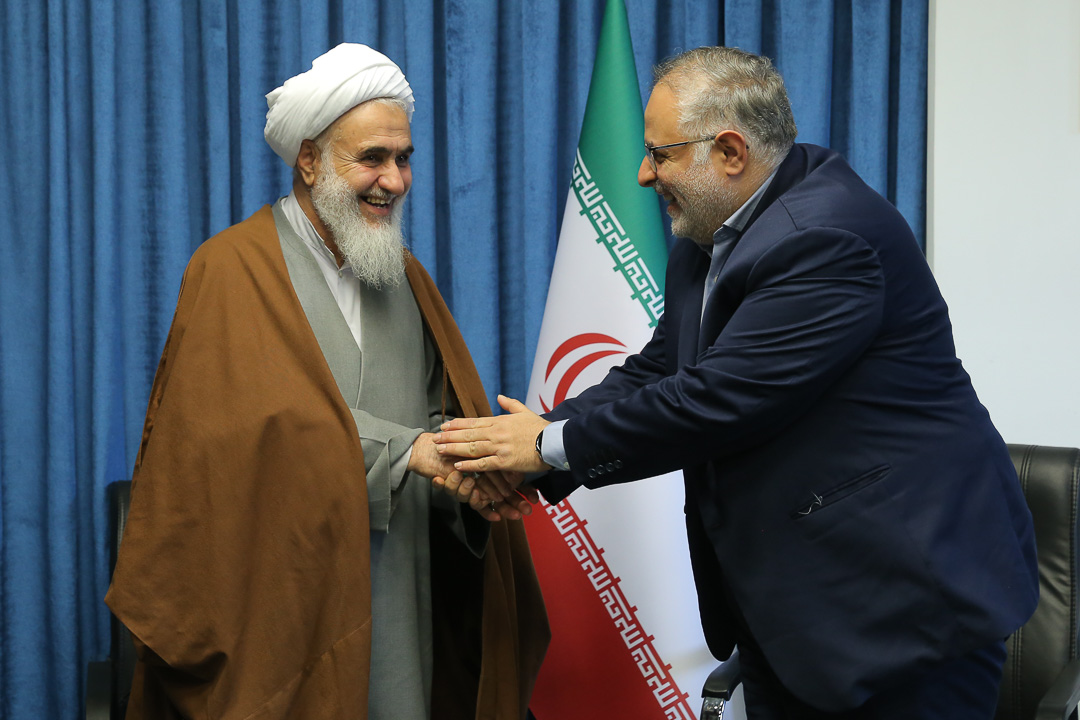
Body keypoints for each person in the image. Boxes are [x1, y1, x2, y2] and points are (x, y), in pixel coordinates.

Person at [432, 46, 1038, 718]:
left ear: (728, 152)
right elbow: (663, 367)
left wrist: (544, 448)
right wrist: (537, 446)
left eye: (659, 154)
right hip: (798, 614)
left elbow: (716, 400)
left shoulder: (827, 237)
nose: (643, 174)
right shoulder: (712, 236)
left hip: (904, 607)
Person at [106, 43, 547, 720]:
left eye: (403, 159)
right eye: (372, 158)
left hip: (399, 595)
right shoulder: (229, 269)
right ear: (309, 161)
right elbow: (226, 446)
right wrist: (407, 453)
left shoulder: (405, 277)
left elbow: (437, 417)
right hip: (279, 600)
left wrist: (468, 470)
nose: (394, 180)